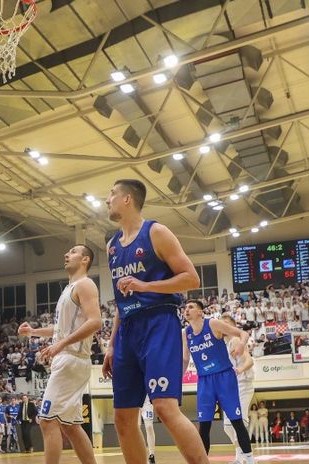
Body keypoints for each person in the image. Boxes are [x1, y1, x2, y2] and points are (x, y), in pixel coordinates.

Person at [101, 179, 208, 463]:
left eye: (112, 194)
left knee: (164, 407)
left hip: (159, 322)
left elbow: (191, 278)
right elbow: (120, 301)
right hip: (127, 330)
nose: (106, 199)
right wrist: (111, 345)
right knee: (123, 417)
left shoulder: (156, 232)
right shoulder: (112, 246)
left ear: (127, 199)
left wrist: (145, 286)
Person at [19, 244, 102, 464]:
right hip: (71, 359)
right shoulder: (69, 288)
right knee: (71, 425)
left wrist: (60, 345)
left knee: (46, 421)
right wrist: (33, 332)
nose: (66, 254)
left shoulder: (85, 284)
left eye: (73, 252)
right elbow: (61, 329)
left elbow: (95, 322)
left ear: (85, 260)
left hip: (71, 358)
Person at [181, 300, 254, 464]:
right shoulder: (185, 333)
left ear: (200, 312)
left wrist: (242, 345)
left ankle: (249, 459)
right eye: (185, 308)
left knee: (236, 421)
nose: (186, 310)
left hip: (224, 377)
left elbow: (243, 334)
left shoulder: (213, 324)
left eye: (191, 307)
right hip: (204, 381)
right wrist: (178, 379)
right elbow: (185, 359)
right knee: (204, 425)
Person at [222, 315, 255, 463]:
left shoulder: (235, 340)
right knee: (227, 426)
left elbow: (249, 360)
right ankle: (239, 456)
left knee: (239, 422)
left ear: (233, 326)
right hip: (231, 387)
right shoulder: (224, 344)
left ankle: (246, 458)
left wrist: (240, 369)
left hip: (243, 384)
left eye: (226, 323)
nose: (223, 325)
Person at [141, 397, 156, 464]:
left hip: (147, 402)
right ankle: (138, 454)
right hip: (134, 400)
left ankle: (151, 455)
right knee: (136, 427)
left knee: (149, 426)